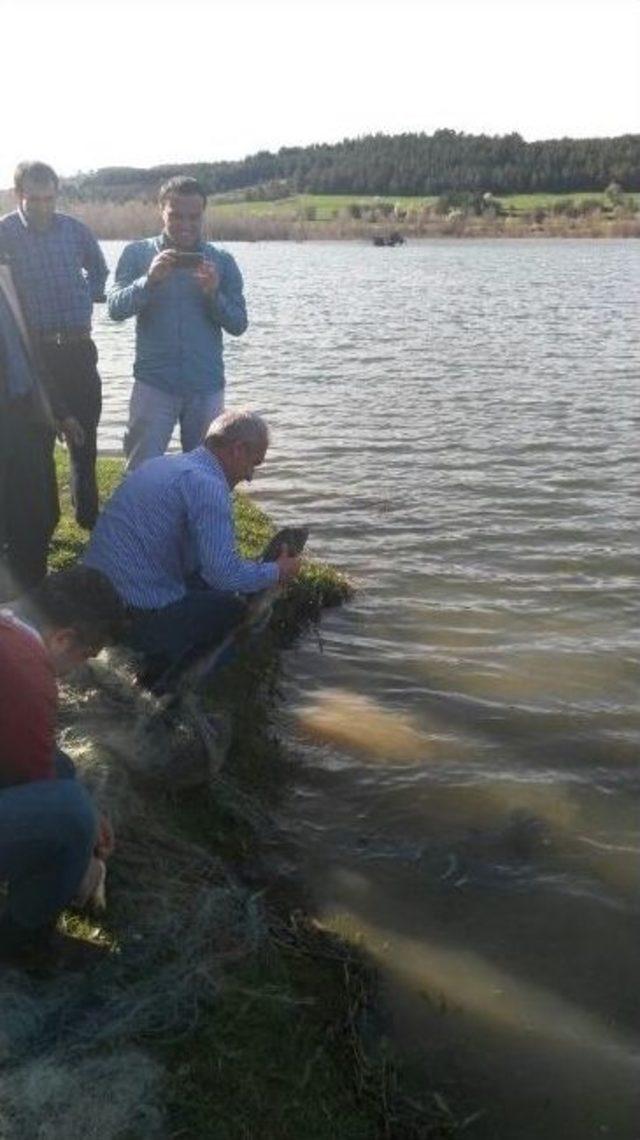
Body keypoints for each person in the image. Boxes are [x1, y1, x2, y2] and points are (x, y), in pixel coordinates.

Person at [84, 409, 301, 685]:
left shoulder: (162, 465)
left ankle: (154, 660)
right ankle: (167, 687)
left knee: (210, 585)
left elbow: (201, 565)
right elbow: (223, 575)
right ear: (238, 449)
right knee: (234, 612)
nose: (250, 477)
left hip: (95, 601)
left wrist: (250, 570)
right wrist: (277, 572)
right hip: (132, 617)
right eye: (253, 464)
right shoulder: (208, 486)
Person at [0, 566, 126, 972]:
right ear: (63, 638)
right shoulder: (27, 672)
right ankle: (21, 939)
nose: (75, 670)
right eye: (83, 657)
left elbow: (37, 761)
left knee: (63, 768)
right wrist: (89, 822)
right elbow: (39, 784)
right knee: (69, 814)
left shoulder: (9, 623)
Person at [107, 175, 248, 471]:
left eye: (194, 217)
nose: (185, 224)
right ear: (162, 211)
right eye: (176, 216)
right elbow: (115, 309)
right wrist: (149, 281)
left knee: (204, 472)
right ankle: (140, 518)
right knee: (141, 470)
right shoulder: (137, 254)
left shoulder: (222, 261)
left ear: (203, 215)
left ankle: (197, 518)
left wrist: (213, 295)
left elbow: (238, 324)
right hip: (153, 384)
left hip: (205, 385)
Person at [0, 161, 108, 530]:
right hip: (33, 353)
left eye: (50, 198)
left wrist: (88, 295)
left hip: (79, 349)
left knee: (85, 438)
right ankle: (46, 519)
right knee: (40, 440)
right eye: (35, 199)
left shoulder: (75, 230)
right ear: (19, 195)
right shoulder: (4, 233)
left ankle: (88, 519)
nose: (44, 206)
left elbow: (99, 269)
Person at [0, 257, 59, 598]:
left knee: (41, 513)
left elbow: (31, 349)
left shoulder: (9, 272)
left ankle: (30, 601)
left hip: (25, 413)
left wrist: (58, 410)